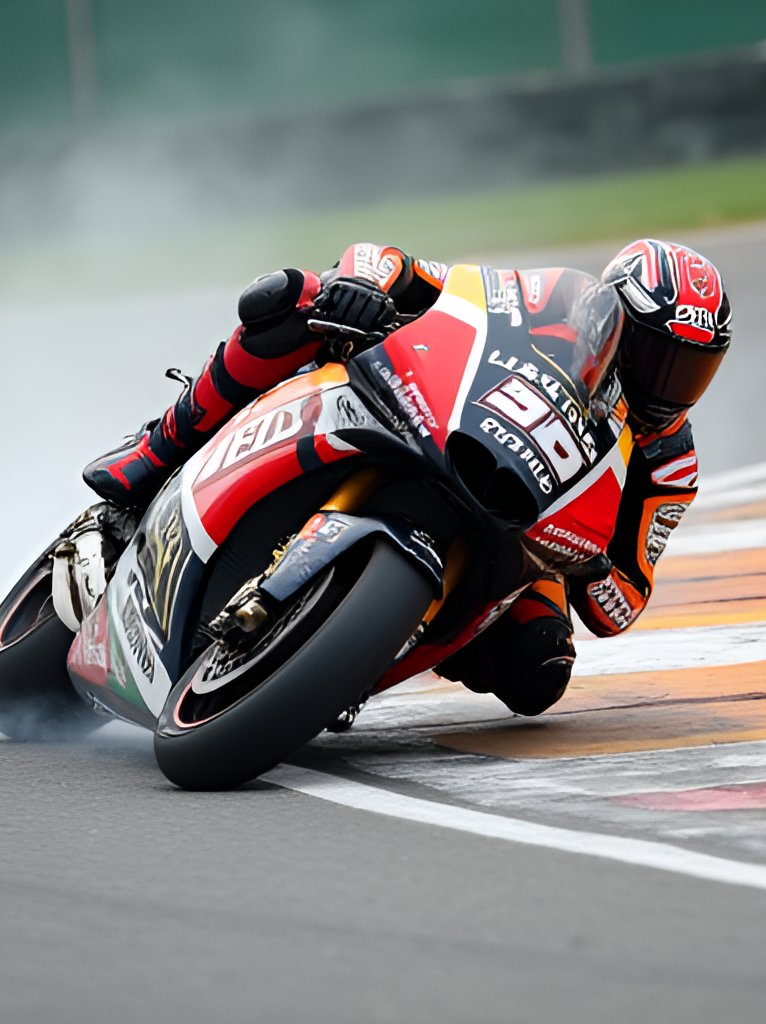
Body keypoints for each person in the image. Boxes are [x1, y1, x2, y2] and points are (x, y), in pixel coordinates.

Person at [83, 239, 732, 717]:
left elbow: (624, 602)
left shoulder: (670, 462)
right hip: (426, 411)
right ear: (610, 316)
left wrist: (591, 564)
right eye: (655, 354)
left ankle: (356, 653)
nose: (665, 383)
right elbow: (403, 266)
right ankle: (156, 448)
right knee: (291, 296)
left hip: (523, 531)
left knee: (540, 669)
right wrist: (364, 285)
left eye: (688, 369)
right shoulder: (549, 306)